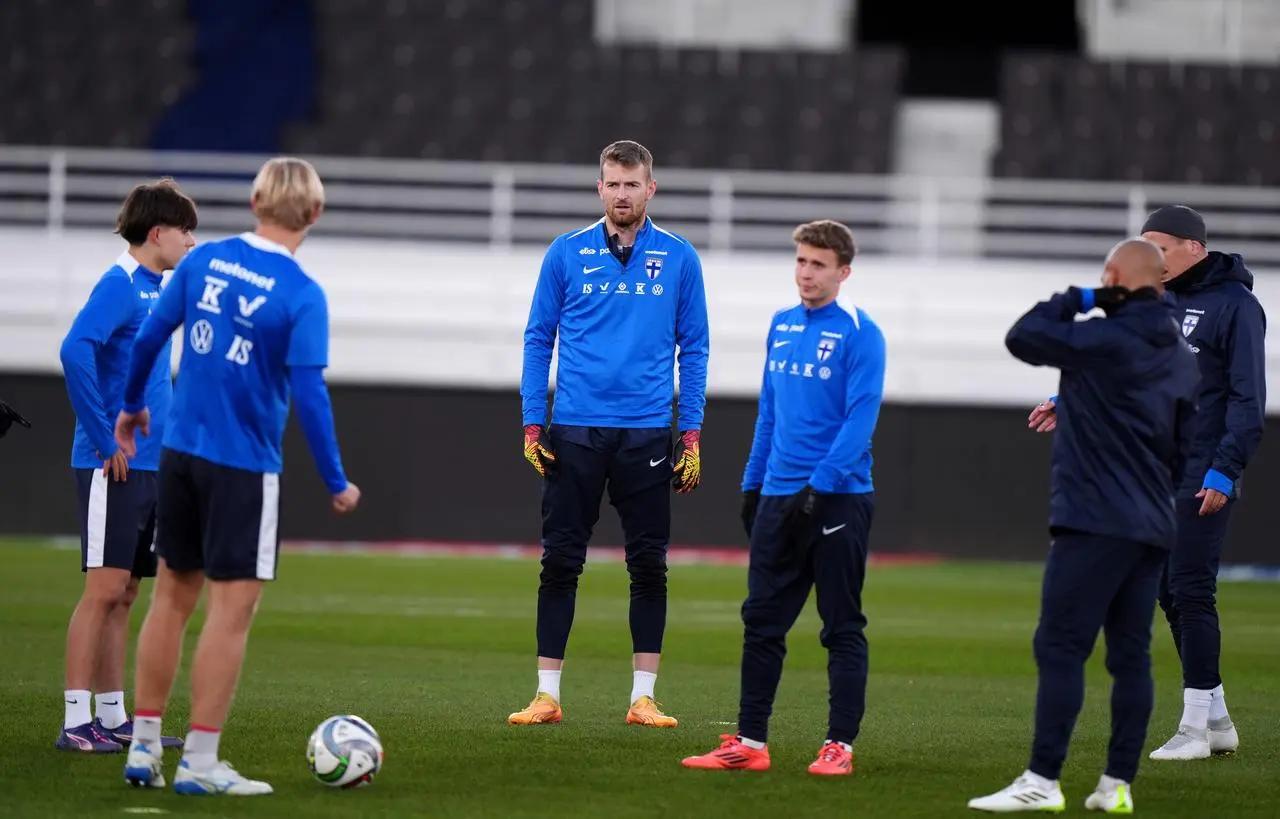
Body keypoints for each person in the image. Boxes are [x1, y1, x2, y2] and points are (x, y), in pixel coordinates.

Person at [113, 157, 361, 795]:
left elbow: (147, 341)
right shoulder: (303, 295)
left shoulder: (202, 260)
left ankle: (143, 747)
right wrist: (335, 480)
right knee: (231, 612)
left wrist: (131, 406)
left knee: (169, 598)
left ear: (255, 202)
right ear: (314, 214)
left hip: (180, 456)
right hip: (244, 468)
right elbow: (310, 397)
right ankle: (199, 761)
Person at [1026, 206, 1266, 762]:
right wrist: (1070, 400)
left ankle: (1195, 728)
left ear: (1195, 249)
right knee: (1165, 591)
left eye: (1161, 246)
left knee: (1190, 588)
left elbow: (1248, 399)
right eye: (1146, 248)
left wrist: (1225, 469)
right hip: (1150, 468)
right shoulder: (1155, 304)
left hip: (1202, 466)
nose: (1152, 259)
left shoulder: (1236, 307)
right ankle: (1219, 718)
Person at [969, 238, 1200, 813]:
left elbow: (1023, 335)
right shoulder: (1180, 355)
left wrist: (1081, 295)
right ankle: (1116, 785)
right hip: (1152, 524)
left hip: (1095, 521)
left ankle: (1042, 782)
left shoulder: (1103, 338)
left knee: (1061, 647)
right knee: (1131, 657)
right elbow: (1185, 448)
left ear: (1115, 277)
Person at [511, 139, 710, 728]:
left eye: (632, 184)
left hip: (647, 432)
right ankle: (547, 695)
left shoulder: (679, 257)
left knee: (648, 565)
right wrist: (532, 420)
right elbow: (537, 337)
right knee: (560, 561)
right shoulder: (565, 253)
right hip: (573, 430)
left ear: (651, 189)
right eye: (612, 183)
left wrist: (691, 433)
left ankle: (642, 697)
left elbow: (694, 348)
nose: (622, 194)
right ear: (599, 188)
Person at [681, 219, 885, 776]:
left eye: (818, 264)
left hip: (838, 500)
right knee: (761, 622)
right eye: (800, 261)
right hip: (777, 495)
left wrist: (820, 485)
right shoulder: (782, 324)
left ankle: (839, 745)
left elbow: (859, 419)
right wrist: (753, 484)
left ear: (843, 272)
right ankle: (750, 743)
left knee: (841, 625)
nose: (806, 273)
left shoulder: (861, 333)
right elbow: (769, 412)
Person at [55, 179, 197, 753]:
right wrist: (101, 439)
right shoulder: (119, 285)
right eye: (185, 229)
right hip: (111, 464)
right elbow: (74, 349)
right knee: (102, 590)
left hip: (151, 464)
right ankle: (74, 722)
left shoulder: (158, 290)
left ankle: (112, 717)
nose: (192, 240)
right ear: (157, 233)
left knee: (126, 592)